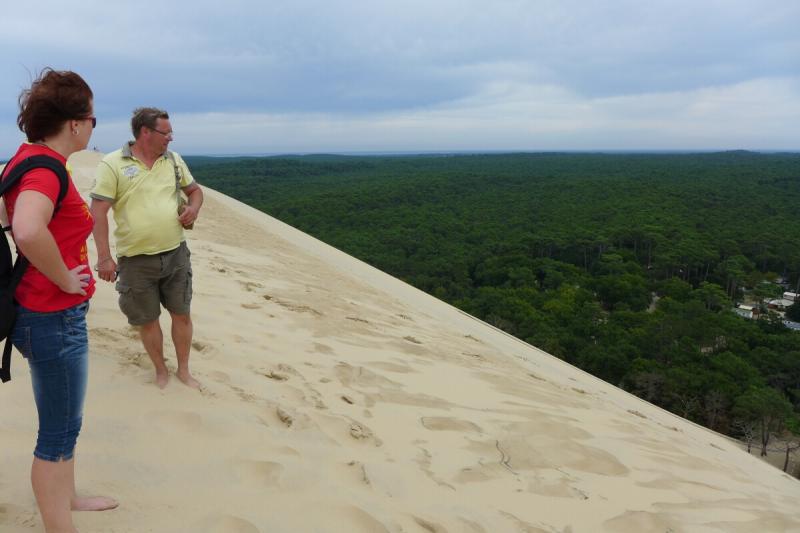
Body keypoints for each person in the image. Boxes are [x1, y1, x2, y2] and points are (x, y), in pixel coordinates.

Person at [2, 68, 117, 532]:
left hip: (40, 311)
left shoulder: (27, 158)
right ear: (74, 124)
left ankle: (67, 498)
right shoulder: (46, 170)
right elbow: (28, 228)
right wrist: (65, 279)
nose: (92, 127)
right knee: (58, 431)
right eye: (92, 119)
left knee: (66, 420)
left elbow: (9, 217)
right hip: (51, 316)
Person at [90, 107, 203, 389]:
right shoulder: (112, 164)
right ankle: (161, 371)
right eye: (166, 132)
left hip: (176, 254)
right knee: (148, 320)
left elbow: (195, 191)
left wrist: (193, 208)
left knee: (182, 314)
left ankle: (184, 370)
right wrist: (104, 258)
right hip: (136, 261)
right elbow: (98, 212)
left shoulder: (173, 160)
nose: (171, 138)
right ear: (145, 132)